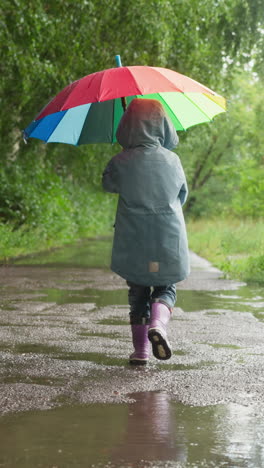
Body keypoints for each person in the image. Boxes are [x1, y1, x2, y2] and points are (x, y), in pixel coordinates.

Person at [102, 98, 190, 365]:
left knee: (138, 291)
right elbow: (182, 195)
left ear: (127, 126)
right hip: (168, 235)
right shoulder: (172, 160)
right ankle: (158, 326)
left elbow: (108, 185)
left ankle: (140, 352)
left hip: (134, 237)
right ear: (163, 126)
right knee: (166, 286)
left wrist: (121, 159)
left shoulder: (120, 161)